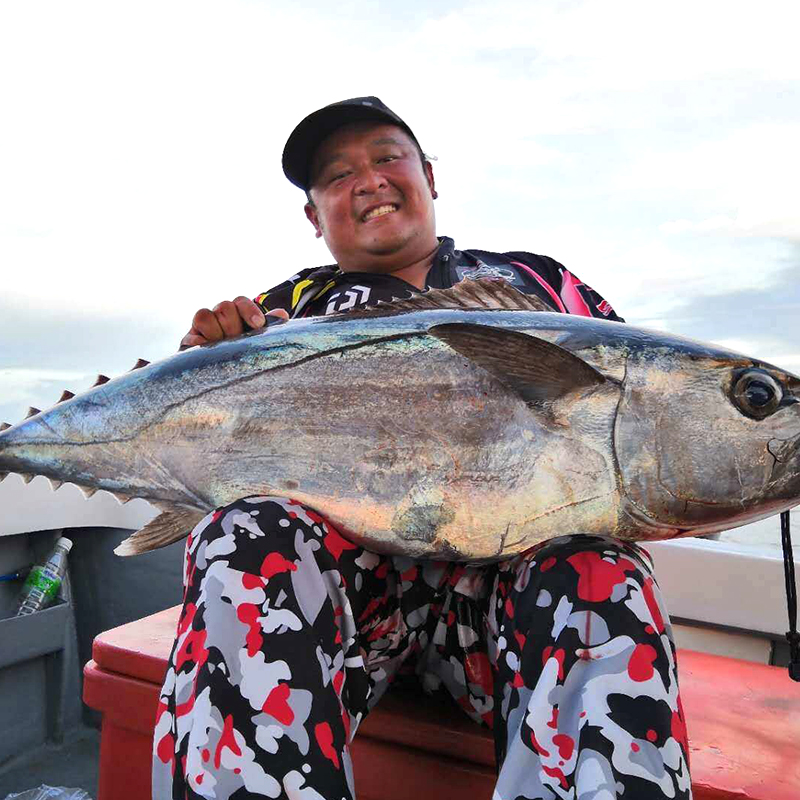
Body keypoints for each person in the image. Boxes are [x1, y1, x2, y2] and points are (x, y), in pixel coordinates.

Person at [155, 97, 691, 800]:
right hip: (338, 618)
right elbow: (192, 427)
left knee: (599, 568)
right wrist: (199, 362)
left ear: (429, 177)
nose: (369, 179)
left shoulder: (539, 284)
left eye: (386, 157)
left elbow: (644, 397)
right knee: (244, 534)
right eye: (339, 175)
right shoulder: (281, 315)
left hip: (510, 617)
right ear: (315, 219)